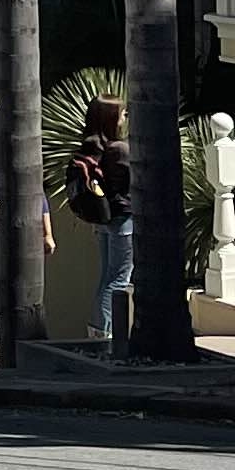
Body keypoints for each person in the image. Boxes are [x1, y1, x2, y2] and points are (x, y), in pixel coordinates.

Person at [66, 92, 134, 347]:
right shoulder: (119, 149)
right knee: (119, 278)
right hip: (123, 218)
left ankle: (97, 330)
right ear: (111, 119)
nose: (125, 118)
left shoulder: (92, 146)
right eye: (122, 114)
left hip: (104, 218)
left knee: (107, 276)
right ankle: (106, 333)